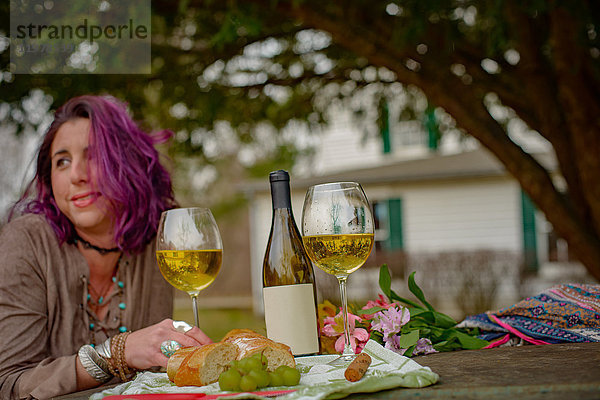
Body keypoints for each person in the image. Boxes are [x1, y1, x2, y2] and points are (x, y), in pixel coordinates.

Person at [0, 95, 212, 399]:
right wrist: (115, 354)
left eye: (95, 155)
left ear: (128, 164)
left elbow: (150, 376)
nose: (76, 175)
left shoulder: (155, 243)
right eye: (62, 161)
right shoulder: (26, 241)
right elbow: (8, 384)